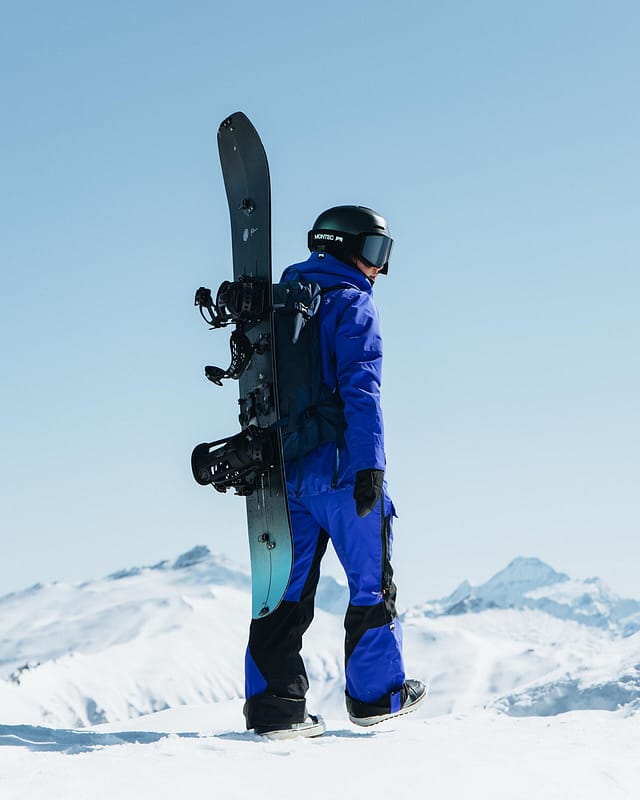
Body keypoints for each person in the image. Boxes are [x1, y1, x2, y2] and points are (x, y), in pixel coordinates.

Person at [243, 205, 427, 739]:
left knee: (284, 591)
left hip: (286, 475)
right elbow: (361, 389)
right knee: (371, 586)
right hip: (347, 478)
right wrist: (370, 467)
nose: (379, 269)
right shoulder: (352, 305)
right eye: (373, 252)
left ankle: (275, 707)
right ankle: (375, 697)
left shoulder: (280, 305)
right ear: (342, 247)